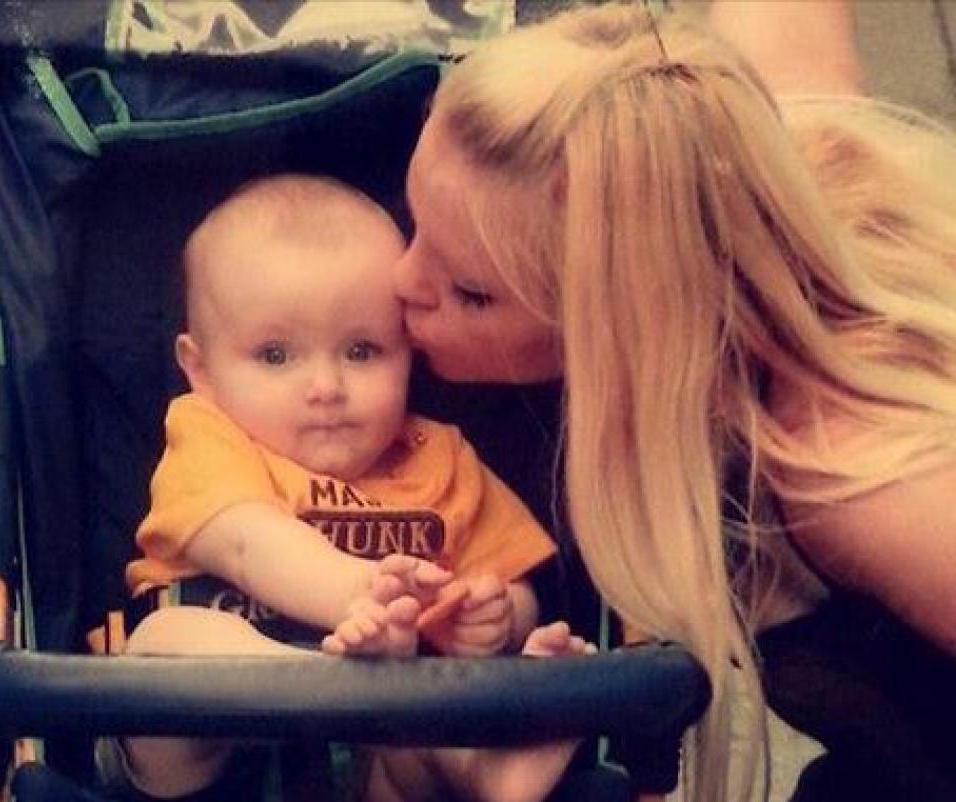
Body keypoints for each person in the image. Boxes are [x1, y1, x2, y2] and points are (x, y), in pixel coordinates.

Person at [389, 2, 956, 801]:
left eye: (473, 294)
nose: (401, 282)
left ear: (623, 320)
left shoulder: (844, 476)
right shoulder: (731, 153)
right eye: (415, 224)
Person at [109, 174, 560, 800]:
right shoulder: (208, 434)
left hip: (383, 744)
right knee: (167, 642)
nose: (326, 387)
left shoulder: (442, 460)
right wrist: (360, 599)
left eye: (362, 351)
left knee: (438, 699)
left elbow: (509, 576)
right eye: (275, 355)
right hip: (211, 753)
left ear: (408, 354)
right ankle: (305, 684)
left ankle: (482, 771)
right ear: (201, 369)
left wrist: (497, 618)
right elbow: (245, 543)